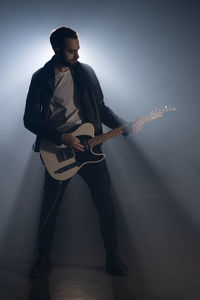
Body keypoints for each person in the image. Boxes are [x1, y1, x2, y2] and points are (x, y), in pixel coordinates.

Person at [23, 27, 142, 278]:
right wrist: (61, 136)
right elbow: (30, 119)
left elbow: (100, 108)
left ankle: (112, 256)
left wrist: (125, 126)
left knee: (106, 205)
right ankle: (43, 259)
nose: (77, 54)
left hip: (90, 149)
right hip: (58, 151)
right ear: (56, 49)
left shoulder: (86, 72)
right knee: (50, 208)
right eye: (71, 50)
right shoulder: (41, 78)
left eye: (78, 49)